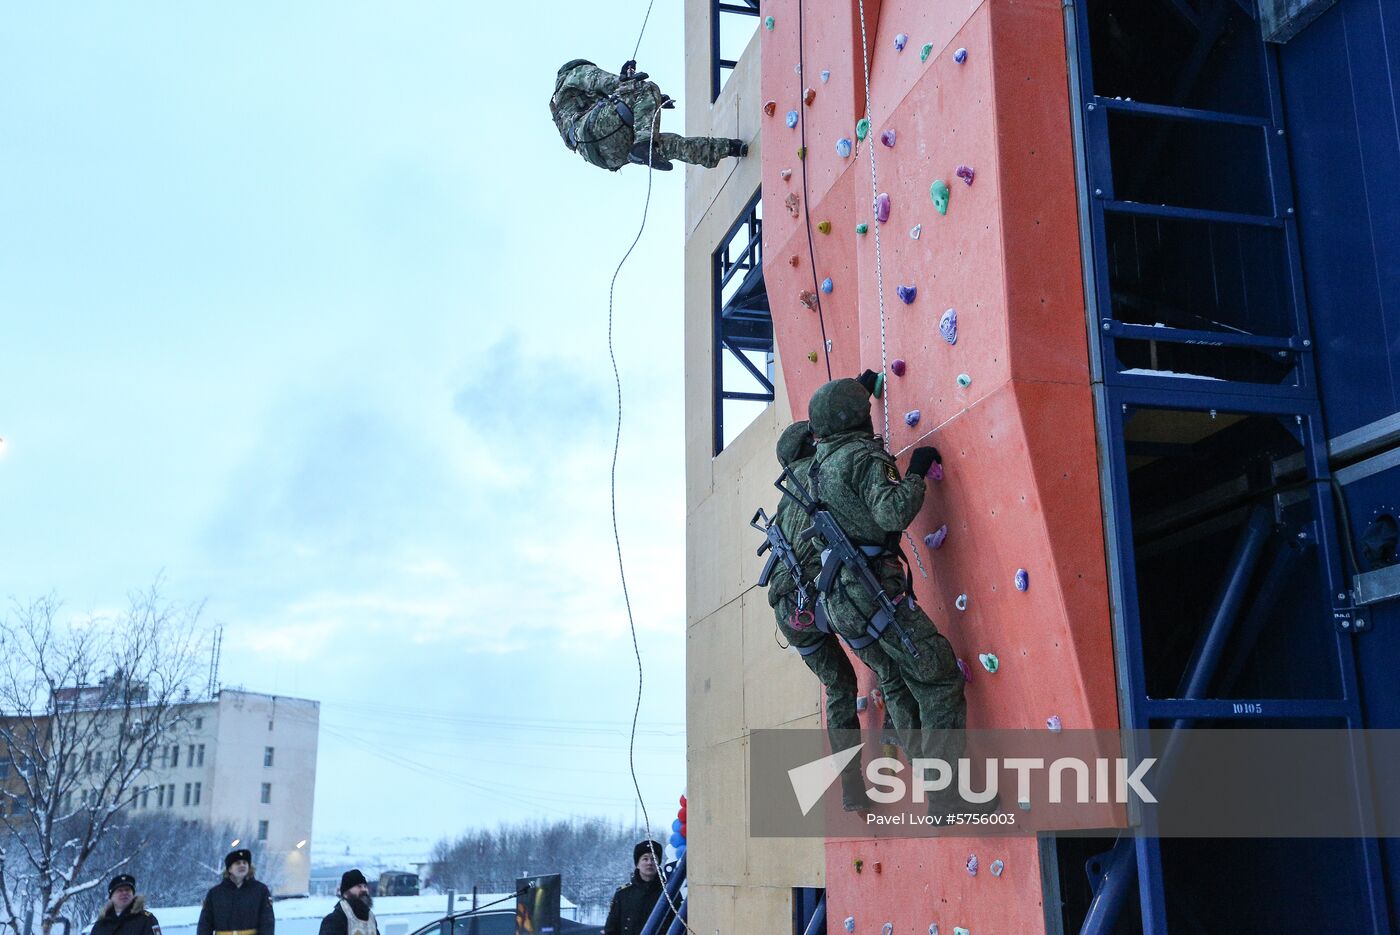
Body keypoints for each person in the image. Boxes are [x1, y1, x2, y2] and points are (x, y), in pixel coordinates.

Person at [806, 375, 991, 812]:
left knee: (897, 682)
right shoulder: (863, 458)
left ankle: (936, 783)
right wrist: (917, 473)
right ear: (857, 415)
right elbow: (891, 513)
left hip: (840, 602)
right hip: (873, 593)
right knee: (938, 677)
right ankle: (949, 798)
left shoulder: (815, 468)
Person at [766, 420, 917, 811]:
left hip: (788, 609)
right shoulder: (820, 472)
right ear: (813, 443)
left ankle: (851, 787)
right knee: (888, 666)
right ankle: (904, 747)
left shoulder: (786, 497)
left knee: (839, 686)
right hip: (823, 597)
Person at [551, 59, 747, 171]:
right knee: (644, 88)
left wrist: (655, 101)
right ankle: (643, 145)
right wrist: (624, 81)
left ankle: (730, 148)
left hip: (608, 157)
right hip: (596, 130)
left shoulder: (562, 108)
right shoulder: (573, 73)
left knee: (670, 144)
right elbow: (598, 80)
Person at [196, 848, 275, 935]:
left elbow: (267, 922)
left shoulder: (260, 890)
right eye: (238, 863)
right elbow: (205, 924)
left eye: (245, 863)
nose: (242, 865)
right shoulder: (215, 893)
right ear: (229, 869)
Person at [602, 840, 672, 935]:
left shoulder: (668, 893)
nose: (649, 863)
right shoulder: (623, 895)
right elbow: (611, 929)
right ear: (637, 864)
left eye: (653, 859)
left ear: (658, 863)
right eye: (645, 859)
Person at [92, 875, 161, 935]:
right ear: (111, 897)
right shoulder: (101, 924)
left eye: (128, 890)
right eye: (120, 890)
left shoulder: (146, 919)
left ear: (133, 894)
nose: (124, 893)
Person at [318, 870, 378, 935]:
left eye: (365, 886)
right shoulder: (334, 920)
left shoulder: (371, 918)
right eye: (359, 886)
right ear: (345, 893)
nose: (364, 889)